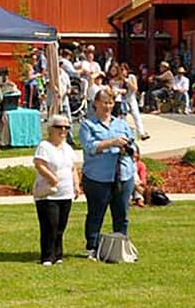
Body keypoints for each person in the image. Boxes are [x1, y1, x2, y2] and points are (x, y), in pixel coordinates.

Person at [79, 89, 136, 260]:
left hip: (123, 175)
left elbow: (133, 144)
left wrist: (128, 148)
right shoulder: (87, 125)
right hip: (98, 177)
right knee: (96, 214)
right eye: (104, 102)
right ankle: (92, 248)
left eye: (111, 103)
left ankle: (120, 248)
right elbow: (90, 147)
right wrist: (112, 142)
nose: (108, 106)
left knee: (122, 215)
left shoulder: (121, 124)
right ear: (95, 103)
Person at [33, 114, 79, 265]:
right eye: (59, 127)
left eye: (66, 127)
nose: (63, 130)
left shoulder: (68, 148)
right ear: (51, 129)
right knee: (49, 225)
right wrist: (52, 178)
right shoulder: (44, 147)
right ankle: (47, 256)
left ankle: (58, 255)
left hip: (65, 193)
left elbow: (73, 168)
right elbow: (39, 164)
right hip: (48, 194)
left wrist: (76, 185)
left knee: (61, 226)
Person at [121, 63, 149, 140]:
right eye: (120, 70)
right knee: (123, 117)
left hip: (131, 98)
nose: (122, 72)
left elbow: (135, 88)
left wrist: (126, 81)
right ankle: (124, 134)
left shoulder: (131, 77)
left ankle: (141, 133)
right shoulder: (118, 78)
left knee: (136, 116)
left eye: (123, 70)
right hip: (123, 99)